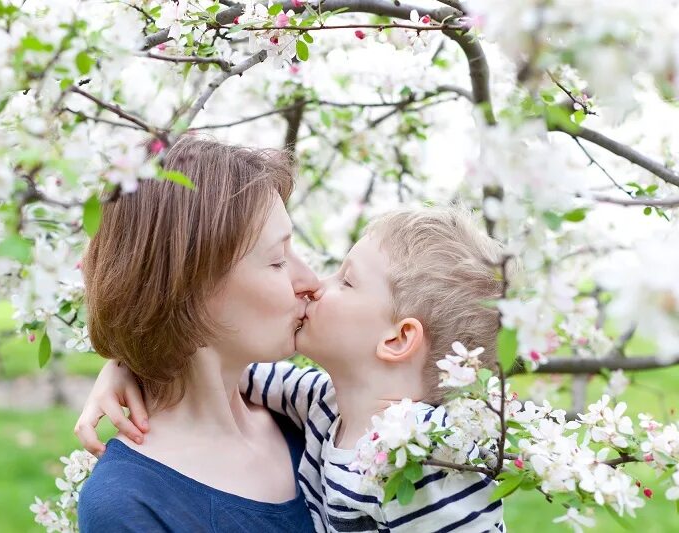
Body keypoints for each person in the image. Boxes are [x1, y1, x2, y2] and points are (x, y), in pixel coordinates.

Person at [78, 207, 508, 531]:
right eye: (277, 259)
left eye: (347, 281)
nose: (317, 284)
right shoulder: (321, 404)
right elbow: (226, 367)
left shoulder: (426, 456)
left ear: (396, 339)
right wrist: (129, 362)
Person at [76, 135, 320, 532]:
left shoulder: (309, 416)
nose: (310, 280)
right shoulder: (131, 504)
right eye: (277, 261)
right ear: (190, 289)